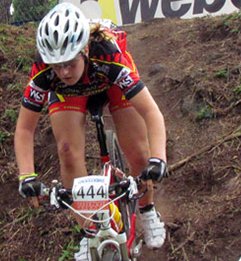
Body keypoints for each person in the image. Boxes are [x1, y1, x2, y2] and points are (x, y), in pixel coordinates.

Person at [15, 3, 169, 260]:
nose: (63, 71)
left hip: (109, 81)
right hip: (68, 95)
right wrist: (26, 177)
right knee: (67, 151)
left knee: (140, 153)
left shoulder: (108, 54)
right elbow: (24, 128)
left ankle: (148, 209)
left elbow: (152, 113)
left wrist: (159, 159)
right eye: (57, 65)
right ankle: (88, 233)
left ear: (84, 49)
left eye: (69, 63)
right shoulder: (44, 70)